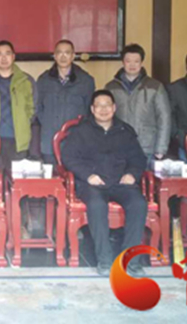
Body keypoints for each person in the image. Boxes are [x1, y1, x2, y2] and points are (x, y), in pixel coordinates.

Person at [60, 90, 148, 277]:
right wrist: (88, 175)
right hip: (93, 184)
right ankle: (105, 260)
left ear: (114, 108)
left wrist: (132, 174)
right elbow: (69, 157)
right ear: (92, 109)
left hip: (121, 183)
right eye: (98, 106)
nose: (103, 109)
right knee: (97, 205)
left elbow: (139, 159)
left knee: (138, 203)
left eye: (107, 105)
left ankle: (131, 261)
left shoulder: (125, 131)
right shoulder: (81, 131)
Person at [105, 43, 171, 167]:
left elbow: (164, 117)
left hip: (147, 146)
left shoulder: (155, 86)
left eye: (136, 61)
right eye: (128, 61)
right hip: (118, 145)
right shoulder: (111, 87)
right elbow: (105, 118)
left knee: (146, 178)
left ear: (141, 63)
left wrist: (161, 148)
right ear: (123, 62)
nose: (132, 65)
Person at [0, 40, 37, 171]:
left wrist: (23, 123)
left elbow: (33, 109)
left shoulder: (26, 81)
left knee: (15, 180)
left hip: (18, 140)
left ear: (13, 56)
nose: (3, 58)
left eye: (7, 54)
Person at [36, 39, 96, 164]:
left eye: (67, 53)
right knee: (51, 175)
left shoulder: (85, 80)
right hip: (49, 140)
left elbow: (89, 111)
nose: (63, 56)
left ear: (73, 56)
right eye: (59, 52)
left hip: (76, 140)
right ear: (54, 55)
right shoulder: (44, 80)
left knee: (74, 174)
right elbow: (38, 108)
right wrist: (48, 122)